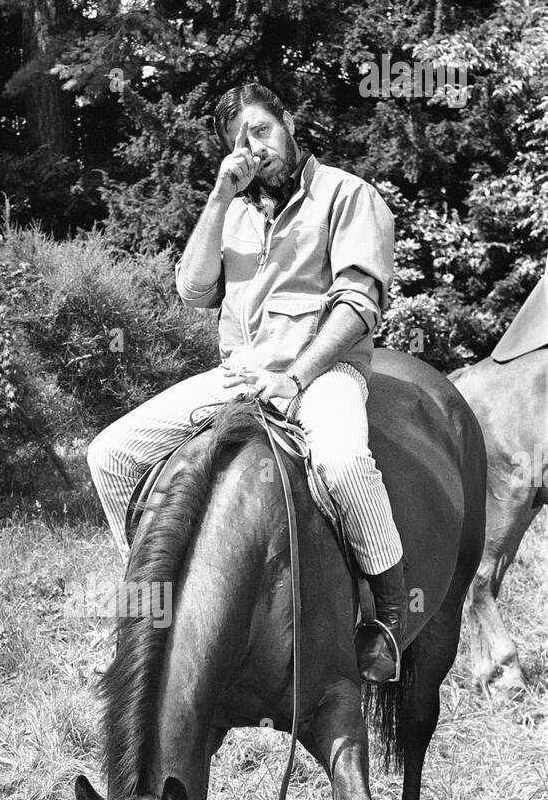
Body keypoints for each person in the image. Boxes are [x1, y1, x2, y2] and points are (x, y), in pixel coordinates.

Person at [87, 81, 405, 683]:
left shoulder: (347, 194)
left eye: (261, 130)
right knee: (110, 455)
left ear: (287, 120)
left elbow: (359, 305)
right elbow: (193, 291)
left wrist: (296, 377)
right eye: (238, 141)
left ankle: (389, 615)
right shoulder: (230, 210)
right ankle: (150, 607)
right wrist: (216, 197)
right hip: (236, 374)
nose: (253, 149)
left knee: (342, 463)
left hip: (321, 372)